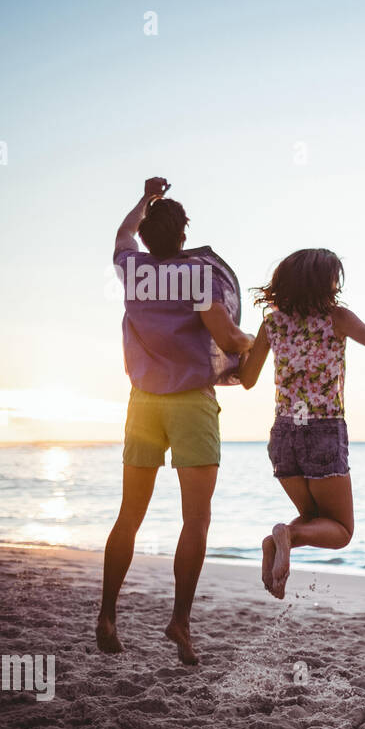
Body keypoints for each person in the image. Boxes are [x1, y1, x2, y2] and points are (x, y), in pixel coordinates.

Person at [97, 177, 253, 665]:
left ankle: (107, 613)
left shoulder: (133, 270)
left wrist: (143, 200)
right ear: (184, 235)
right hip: (190, 403)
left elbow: (120, 236)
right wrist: (259, 340)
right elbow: (229, 341)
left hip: (142, 402)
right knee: (196, 519)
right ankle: (179, 621)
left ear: (147, 236)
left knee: (130, 514)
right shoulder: (198, 278)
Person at [237, 249, 365, 598]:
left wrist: (229, 347)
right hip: (323, 430)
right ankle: (285, 536)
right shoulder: (336, 318)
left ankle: (277, 542)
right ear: (325, 284)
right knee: (342, 531)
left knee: (317, 519)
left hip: (284, 433)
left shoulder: (272, 322)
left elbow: (248, 378)